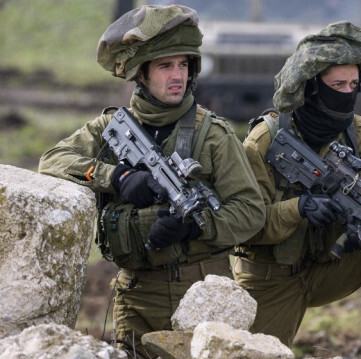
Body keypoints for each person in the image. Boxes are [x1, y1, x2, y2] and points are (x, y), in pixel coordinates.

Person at [38, 5, 265, 356]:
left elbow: (250, 212)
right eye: (165, 66)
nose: (177, 76)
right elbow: (52, 161)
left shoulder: (213, 135)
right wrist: (117, 176)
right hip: (137, 293)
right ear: (140, 74)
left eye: (184, 65)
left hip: (203, 292)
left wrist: (194, 228)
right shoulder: (109, 128)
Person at [235, 21, 361, 359]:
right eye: (337, 84)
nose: (347, 93)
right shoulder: (264, 141)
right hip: (271, 277)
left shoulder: (358, 133)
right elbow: (245, 226)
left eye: (353, 84)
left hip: (327, 266)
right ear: (311, 87)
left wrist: (358, 226)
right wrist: (300, 208)